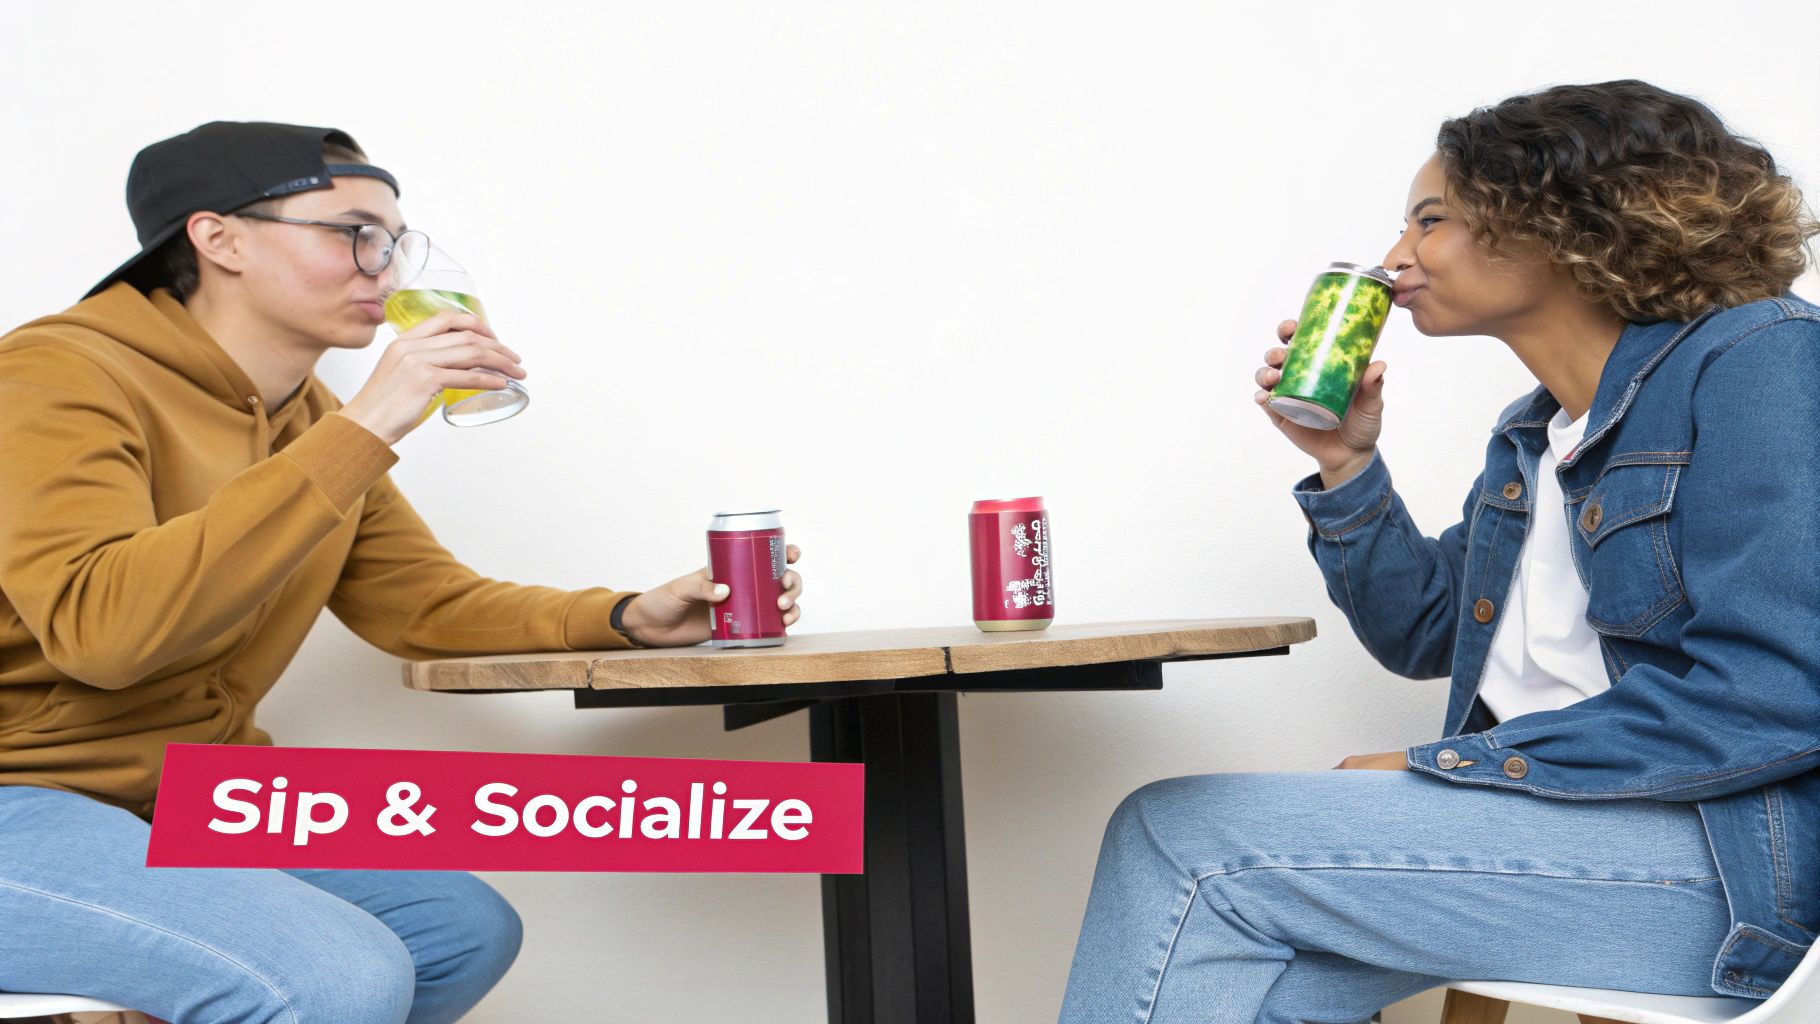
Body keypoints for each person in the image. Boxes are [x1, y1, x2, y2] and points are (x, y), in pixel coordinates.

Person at [0, 121, 804, 1024]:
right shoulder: (54, 375)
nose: (387, 271)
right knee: (336, 975)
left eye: (393, 240)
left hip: (179, 797)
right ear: (219, 239)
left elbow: (422, 602)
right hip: (20, 800)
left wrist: (626, 616)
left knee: (457, 930)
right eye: (355, 234)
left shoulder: (308, 417)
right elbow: (103, 634)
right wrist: (371, 422)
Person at [1058, 80, 1820, 1022]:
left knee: (1174, 834)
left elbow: (1779, 693)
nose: (1395, 258)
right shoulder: (1534, 435)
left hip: (1723, 866)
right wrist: (1346, 464)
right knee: (1249, 983)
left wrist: (1453, 765)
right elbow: (1425, 632)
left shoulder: (1763, 358)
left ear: (1559, 219)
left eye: (1431, 221)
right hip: (1563, 836)